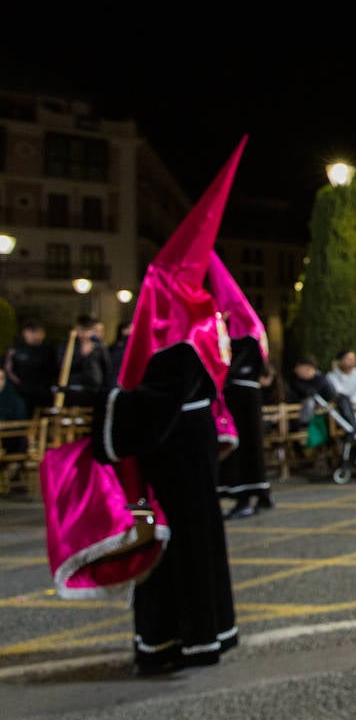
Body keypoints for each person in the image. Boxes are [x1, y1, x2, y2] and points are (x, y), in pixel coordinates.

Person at [89, 138, 246, 674]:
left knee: (177, 549)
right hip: (192, 450)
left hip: (176, 460)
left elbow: (153, 409)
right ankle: (207, 634)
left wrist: (109, 409)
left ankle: (175, 641)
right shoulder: (206, 324)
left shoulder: (181, 335)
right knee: (199, 542)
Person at [207, 253, 273, 521]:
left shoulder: (243, 333)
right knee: (249, 446)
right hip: (242, 395)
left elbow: (229, 366)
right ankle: (260, 492)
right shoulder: (251, 330)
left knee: (244, 447)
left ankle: (246, 496)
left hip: (240, 397)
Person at [5, 319, 59, 414]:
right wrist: (20, 387)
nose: (35, 335)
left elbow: (55, 371)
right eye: (32, 332)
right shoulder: (15, 350)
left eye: (38, 332)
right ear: (24, 333)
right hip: (22, 394)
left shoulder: (49, 350)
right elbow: (9, 371)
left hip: (44, 394)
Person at [64, 314, 112, 407]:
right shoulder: (68, 346)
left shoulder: (100, 346)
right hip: (73, 389)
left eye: (88, 330)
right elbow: (63, 366)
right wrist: (82, 355)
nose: (85, 334)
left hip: (95, 388)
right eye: (82, 330)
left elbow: (107, 367)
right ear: (77, 330)